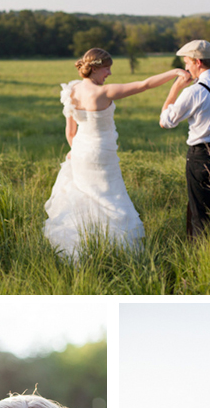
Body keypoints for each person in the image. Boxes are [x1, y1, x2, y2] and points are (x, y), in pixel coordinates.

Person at [43, 46, 190, 256]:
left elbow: (70, 132)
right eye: (106, 69)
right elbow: (144, 85)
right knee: (110, 197)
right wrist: (174, 73)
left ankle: (83, 245)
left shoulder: (71, 90)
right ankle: (118, 248)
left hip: (81, 152)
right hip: (102, 154)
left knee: (86, 196)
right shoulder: (104, 92)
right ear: (94, 69)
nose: (109, 74)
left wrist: (75, 151)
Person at [159, 39, 210, 237]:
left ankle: (201, 259)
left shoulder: (193, 92)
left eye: (187, 63)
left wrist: (174, 88)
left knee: (200, 216)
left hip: (201, 158)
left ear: (198, 62)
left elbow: (165, 121)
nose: (186, 68)